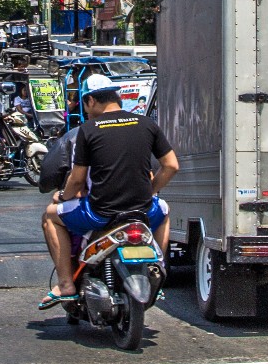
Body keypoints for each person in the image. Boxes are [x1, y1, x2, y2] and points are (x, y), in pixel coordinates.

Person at [39, 73, 179, 309]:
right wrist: (150, 192)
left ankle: (65, 285)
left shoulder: (88, 130)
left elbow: (77, 179)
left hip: (101, 214)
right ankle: (157, 270)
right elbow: (171, 166)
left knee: (50, 217)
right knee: (164, 210)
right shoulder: (147, 124)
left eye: (84, 103)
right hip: (143, 211)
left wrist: (62, 197)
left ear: (91, 101)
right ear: (117, 97)